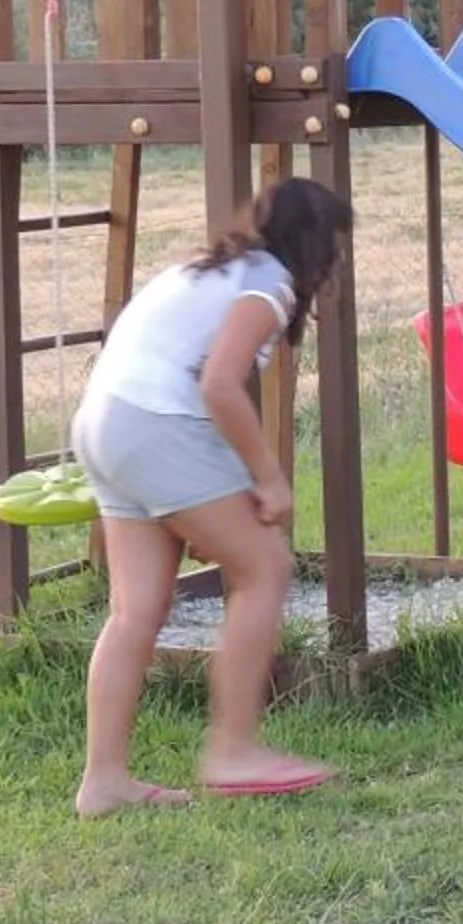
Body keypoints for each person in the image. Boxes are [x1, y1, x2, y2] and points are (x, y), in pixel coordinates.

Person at [69, 177, 353, 816]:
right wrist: (268, 477)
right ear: (315, 245)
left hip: (102, 423)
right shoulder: (270, 282)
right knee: (265, 567)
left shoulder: (207, 270)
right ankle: (232, 749)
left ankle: (104, 780)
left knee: (135, 610)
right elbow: (221, 387)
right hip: (153, 422)